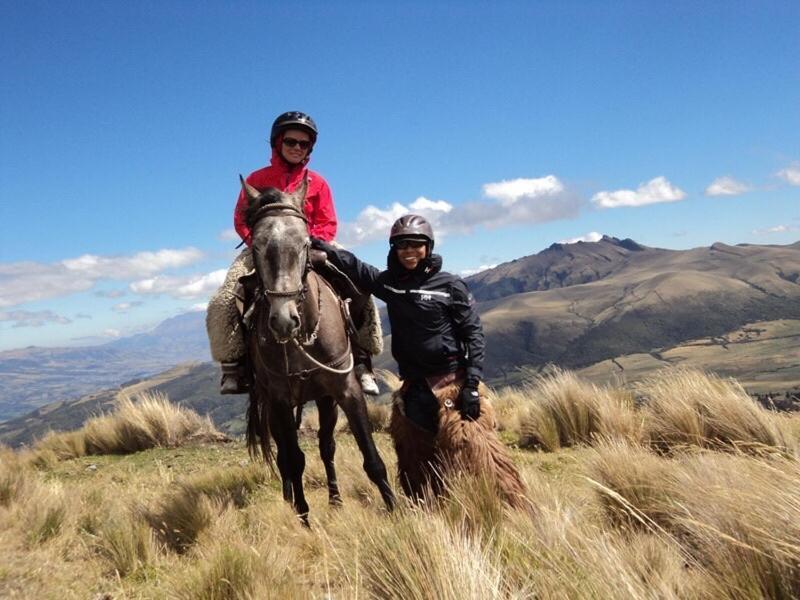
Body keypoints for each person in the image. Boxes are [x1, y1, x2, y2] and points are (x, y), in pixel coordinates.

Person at [206, 111, 380, 394]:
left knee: (359, 288)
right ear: (277, 143)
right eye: (291, 141)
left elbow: (327, 221)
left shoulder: (318, 182)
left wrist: (313, 243)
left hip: (313, 247)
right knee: (225, 299)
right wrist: (260, 244)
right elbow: (241, 219)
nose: (297, 147)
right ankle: (233, 367)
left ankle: (362, 363)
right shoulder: (256, 179)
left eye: (304, 143)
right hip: (264, 249)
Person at [312, 214, 484, 428]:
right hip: (413, 385)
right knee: (416, 453)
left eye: (416, 244)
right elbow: (356, 267)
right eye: (402, 245)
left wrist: (472, 386)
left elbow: (473, 334)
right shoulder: (391, 285)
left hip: (451, 381)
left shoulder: (450, 285)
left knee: (464, 449)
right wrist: (323, 246)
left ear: (428, 246)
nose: (409, 251)